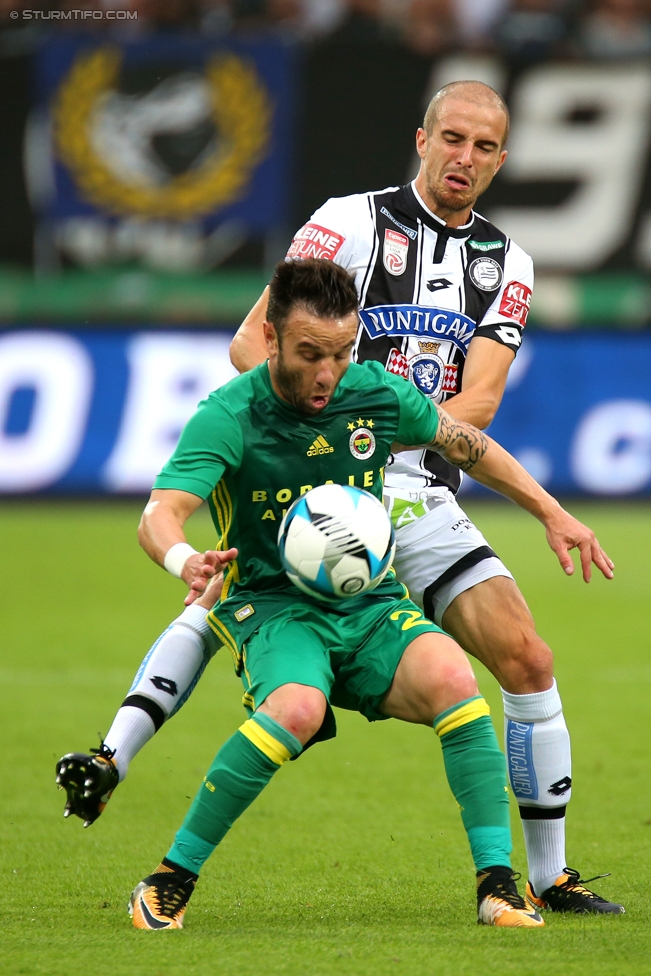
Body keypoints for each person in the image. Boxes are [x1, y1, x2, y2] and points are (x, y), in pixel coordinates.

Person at [57, 81, 624, 916]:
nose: (464, 158)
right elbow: (256, 338)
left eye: (483, 147)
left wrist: (371, 435)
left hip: (410, 484)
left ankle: (546, 876)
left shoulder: (508, 263)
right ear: (421, 137)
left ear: (501, 159)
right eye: (452, 139)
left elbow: (478, 406)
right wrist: (308, 444)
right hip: (316, 466)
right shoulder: (350, 220)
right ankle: (119, 756)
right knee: (240, 591)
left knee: (526, 659)